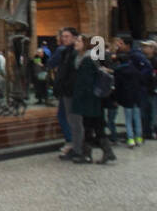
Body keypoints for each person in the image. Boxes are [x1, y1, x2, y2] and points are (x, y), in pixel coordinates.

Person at [70, 33, 114, 164]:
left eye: (78, 41)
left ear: (85, 43)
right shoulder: (84, 58)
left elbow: (86, 83)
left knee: (91, 126)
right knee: (93, 126)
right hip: (92, 101)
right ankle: (105, 152)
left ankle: (91, 154)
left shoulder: (87, 60)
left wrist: (79, 99)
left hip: (90, 101)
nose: (75, 43)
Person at [50, 26, 79, 157]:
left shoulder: (65, 51)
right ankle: (74, 144)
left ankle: (71, 143)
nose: (63, 39)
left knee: (66, 117)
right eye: (63, 36)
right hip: (67, 90)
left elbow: (51, 63)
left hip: (70, 91)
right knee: (69, 117)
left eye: (66, 36)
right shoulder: (67, 51)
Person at [113, 47, 144, 147]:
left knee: (128, 119)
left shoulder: (118, 71)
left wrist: (116, 98)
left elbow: (117, 86)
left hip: (126, 97)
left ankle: (130, 139)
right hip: (137, 96)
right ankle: (139, 138)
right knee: (137, 118)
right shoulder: (135, 70)